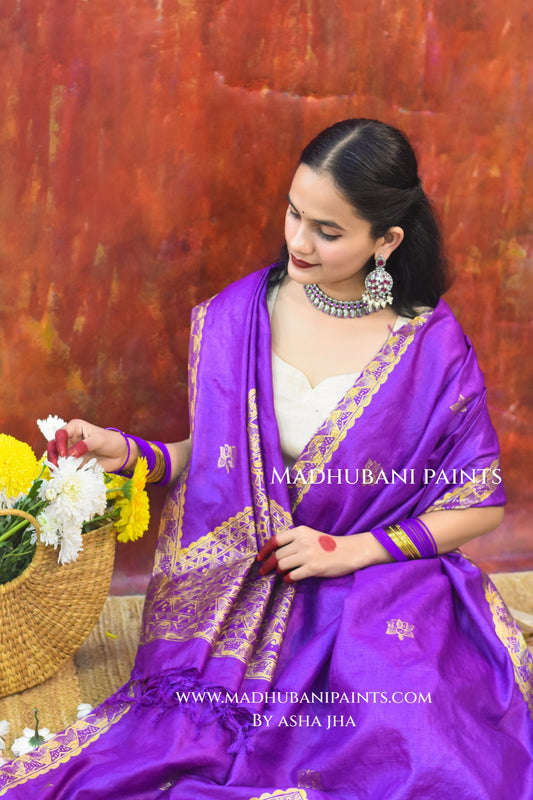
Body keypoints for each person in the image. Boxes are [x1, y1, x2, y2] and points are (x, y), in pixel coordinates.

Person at [1, 118, 532, 799]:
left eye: (327, 230)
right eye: (293, 213)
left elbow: (478, 503)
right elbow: (232, 463)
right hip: (253, 581)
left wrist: (352, 550)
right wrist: (135, 455)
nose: (297, 242)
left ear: (386, 240)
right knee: (201, 735)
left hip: (382, 577)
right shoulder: (244, 312)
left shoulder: (430, 346)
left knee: (412, 740)